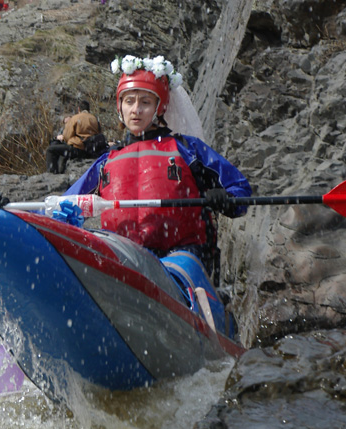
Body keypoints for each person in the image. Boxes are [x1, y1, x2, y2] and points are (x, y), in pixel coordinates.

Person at [64, 55, 251, 280]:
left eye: (145, 102)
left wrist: (225, 198)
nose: (136, 110)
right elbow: (64, 205)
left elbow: (239, 189)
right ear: (120, 106)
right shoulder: (106, 162)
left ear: (159, 107)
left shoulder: (187, 149)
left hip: (182, 256)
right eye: (129, 101)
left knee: (172, 277)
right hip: (124, 257)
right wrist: (17, 214)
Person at [44, 100, 104, 174]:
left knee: (51, 150)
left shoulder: (75, 118)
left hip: (79, 149)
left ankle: (52, 174)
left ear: (79, 109)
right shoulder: (94, 119)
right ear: (89, 109)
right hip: (92, 150)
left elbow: (67, 136)